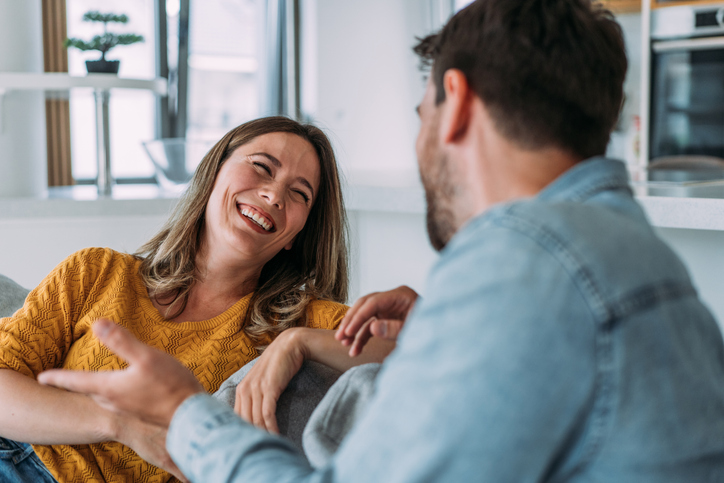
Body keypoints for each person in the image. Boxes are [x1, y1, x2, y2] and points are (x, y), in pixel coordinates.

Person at [38, 0, 724, 481]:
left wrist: (182, 411)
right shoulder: (634, 258)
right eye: (260, 168)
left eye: (421, 112)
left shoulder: (526, 268)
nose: (274, 196)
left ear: (454, 102)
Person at [0, 116, 393, 483]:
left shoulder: (301, 320)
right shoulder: (96, 271)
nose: (274, 195)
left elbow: (417, 353)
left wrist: (298, 342)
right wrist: (119, 423)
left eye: (299, 193)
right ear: (214, 173)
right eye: (262, 167)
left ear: (295, 235)